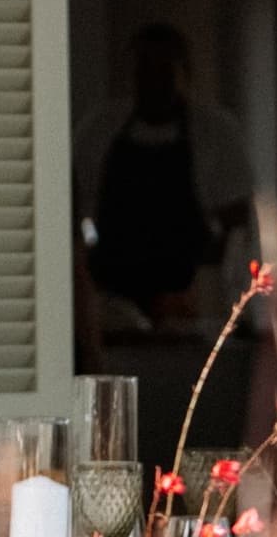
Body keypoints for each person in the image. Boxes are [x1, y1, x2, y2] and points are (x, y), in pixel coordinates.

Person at [74, 23, 257, 329]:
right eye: (144, 71)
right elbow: (75, 212)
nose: (153, 83)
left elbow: (238, 218)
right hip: (111, 300)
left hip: (190, 299)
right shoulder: (98, 130)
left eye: (164, 71)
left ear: (184, 73)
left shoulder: (216, 131)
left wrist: (203, 287)